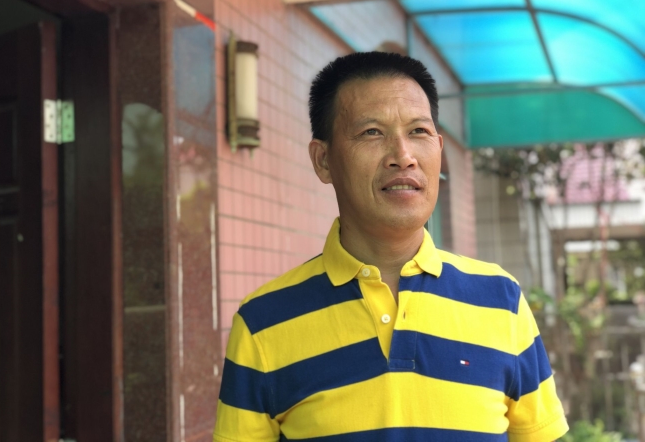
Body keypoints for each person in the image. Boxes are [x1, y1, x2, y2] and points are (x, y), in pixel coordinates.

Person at [213, 52, 568, 441]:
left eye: (418, 131)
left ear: (439, 148)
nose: (403, 157)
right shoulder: (263, 323)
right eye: (372, 132)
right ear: (323, 160)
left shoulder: (501, 300)